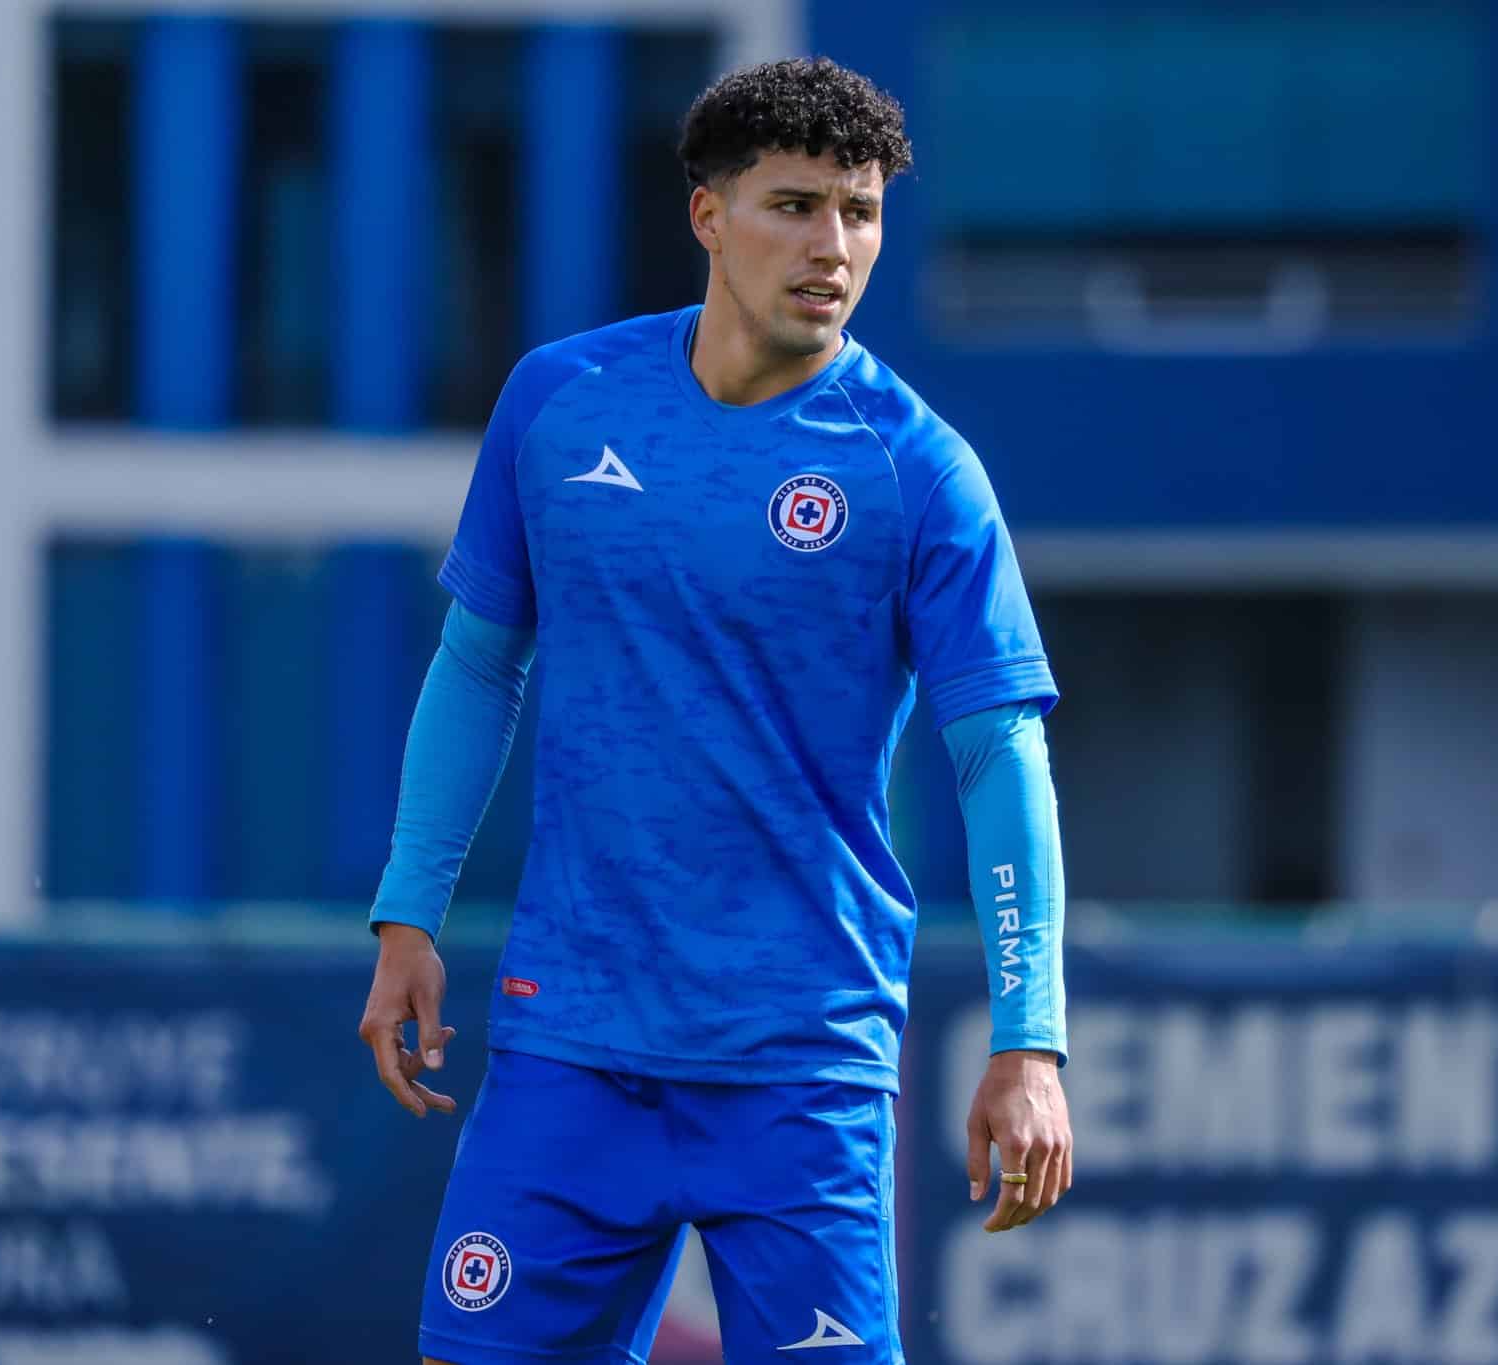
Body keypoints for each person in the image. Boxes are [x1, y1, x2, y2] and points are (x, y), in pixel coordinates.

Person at [358, 56, 1071, 1365]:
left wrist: (1030, 1038)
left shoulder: (921, 472)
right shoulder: (560, 405)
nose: (833, 245)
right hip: (571, 1045)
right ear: (708, 217)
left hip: (801, 1065)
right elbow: (476, 663)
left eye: (858, 213)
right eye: (795, 206)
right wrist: (410, 906)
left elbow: (998, 751)